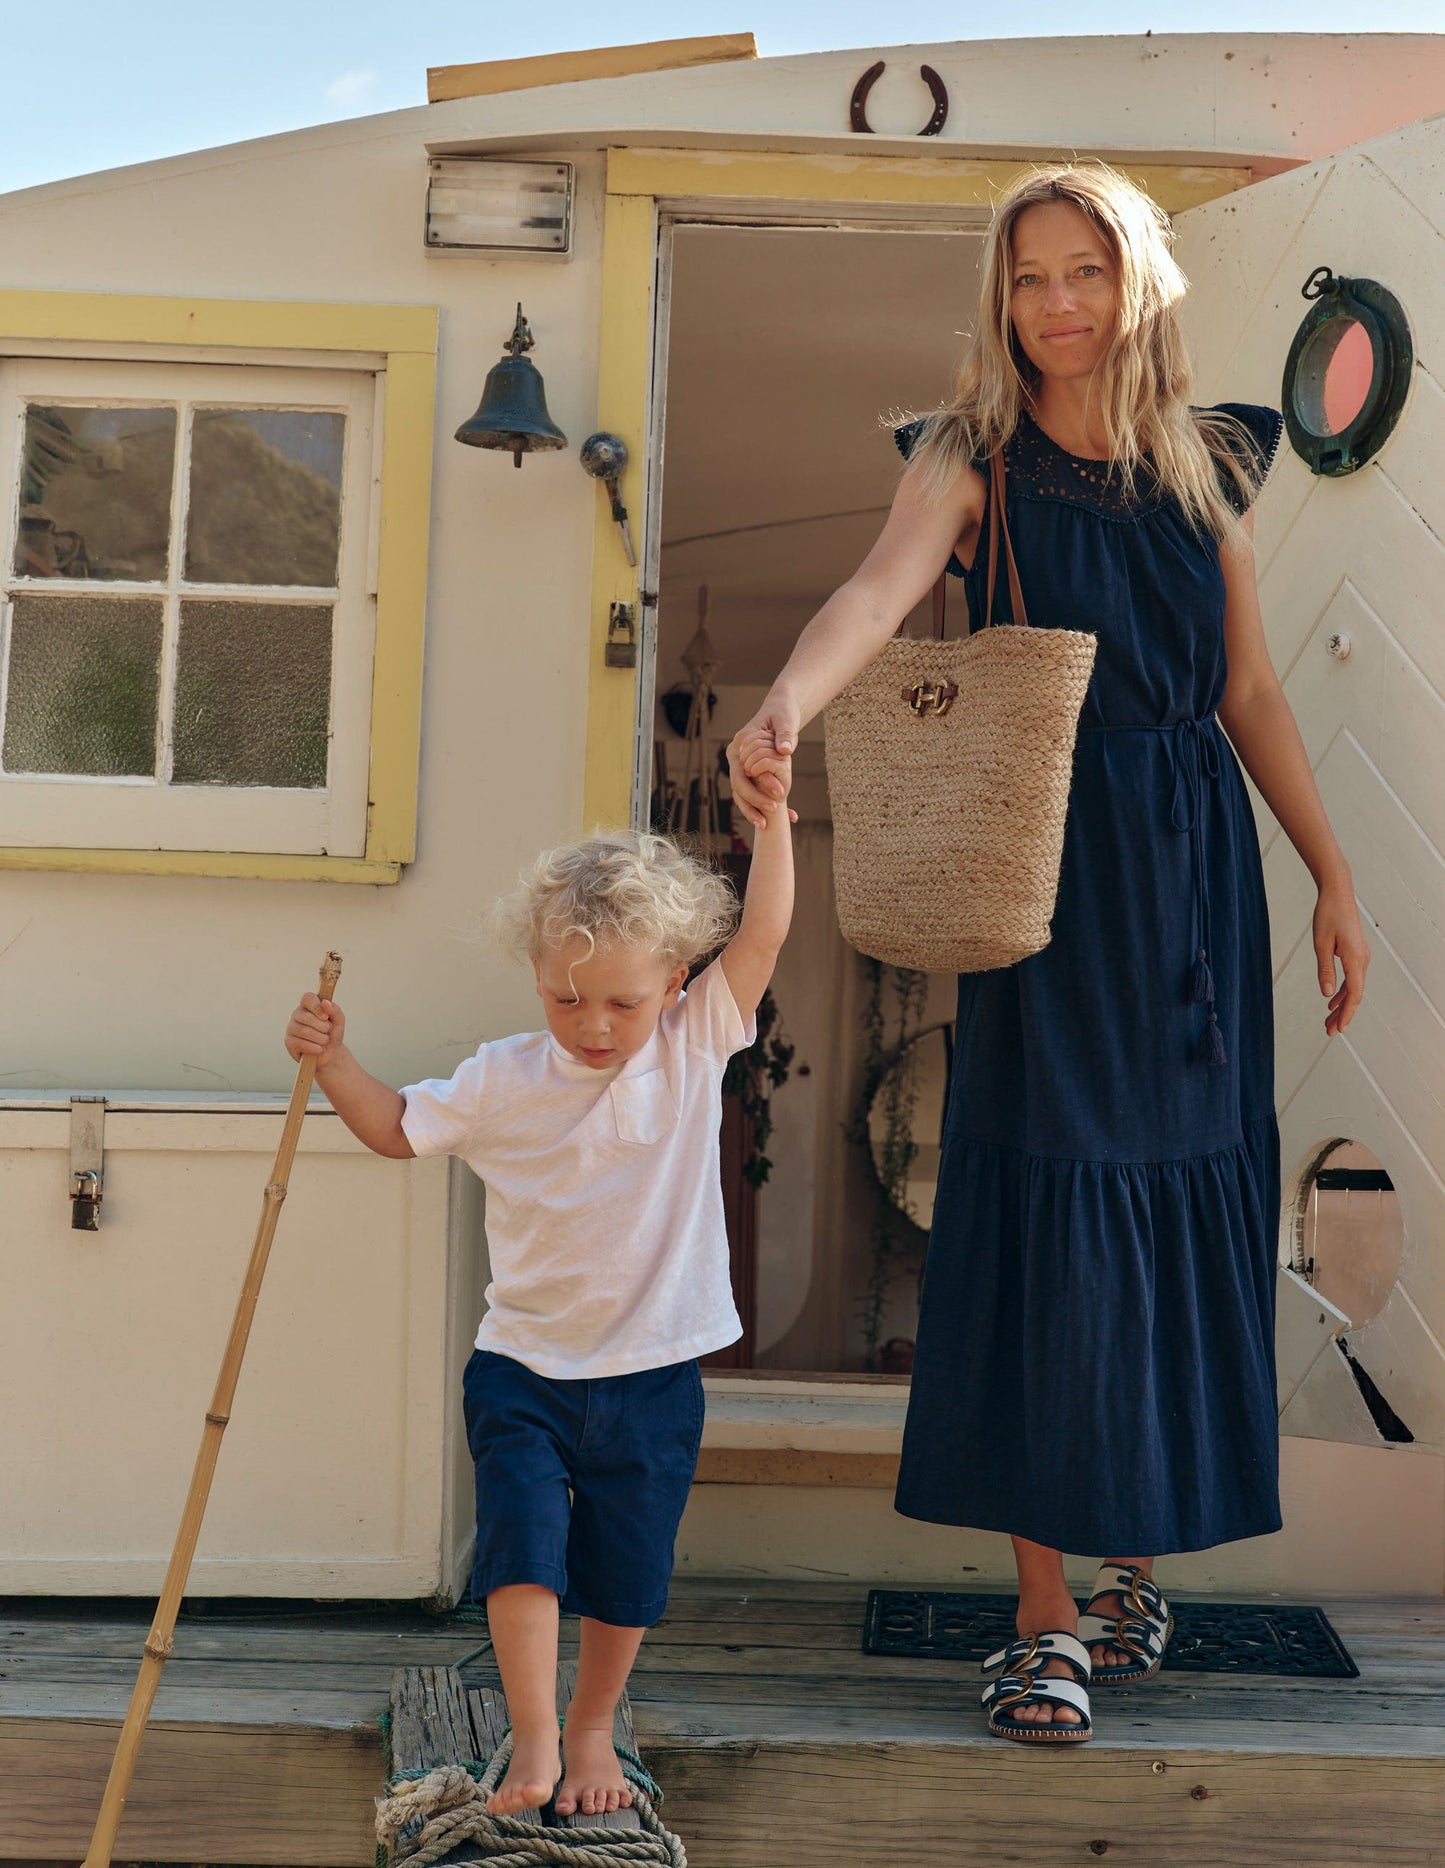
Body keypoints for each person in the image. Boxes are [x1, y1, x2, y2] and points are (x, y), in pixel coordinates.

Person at [726, 163, 1369, 1745]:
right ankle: (1041, 1611)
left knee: (1178, 1194)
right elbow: (875, 593)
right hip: (1045, 873)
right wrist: (786, 701)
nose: (1057, 303)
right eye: (1029, 278)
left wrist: (1332, 877)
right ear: (1000, 299)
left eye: (1084, 270)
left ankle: (1131, 1563)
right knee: (1047, 1199)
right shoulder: (974, 458)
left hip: (1194, 883)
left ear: (1134, 282)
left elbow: (1249, 692)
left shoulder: (1208, 460)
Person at [284, 821, 794, 1808]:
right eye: (566, 997)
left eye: (621, 1002)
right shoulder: (502, 1078)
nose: (593, 1024)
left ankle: (591, 1727)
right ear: (536, 975)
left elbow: (764, 932)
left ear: (676, 981)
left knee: (626, 1565)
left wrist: (772, 822)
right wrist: (335, 1061)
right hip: (522, 1368)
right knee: (521, 1550)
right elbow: (397, 1128)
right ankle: (533, 1740)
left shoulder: (692, 1047)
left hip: (650, 1374)